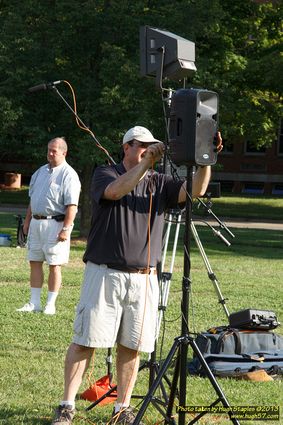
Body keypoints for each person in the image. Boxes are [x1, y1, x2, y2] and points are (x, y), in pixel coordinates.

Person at [51, 126, 222, 424]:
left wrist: (206, 158)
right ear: (126, 147)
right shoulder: (105, 173)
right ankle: (66, 405)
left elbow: (195, 190)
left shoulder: (160, 182)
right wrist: (145, 164)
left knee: (132, 344)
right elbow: (116, 191)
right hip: (105, 274)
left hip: (144, 277)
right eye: (141, 146)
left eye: (150, 146)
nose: (147, 150)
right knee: (85, 340)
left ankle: (123, 408)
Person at [17, 137, 81, 315]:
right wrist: (27, 222)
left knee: (55, 264)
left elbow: (72, 206)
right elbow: (33, 200)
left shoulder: (69, 174)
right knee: (35, 262)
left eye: (54, 150)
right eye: (49, 150)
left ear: (64, 152)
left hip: (56, 224)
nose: (50, 153)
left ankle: (50, 304)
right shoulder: (40, 172)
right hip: (36, 223)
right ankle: (34, 303)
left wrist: (66, 229)